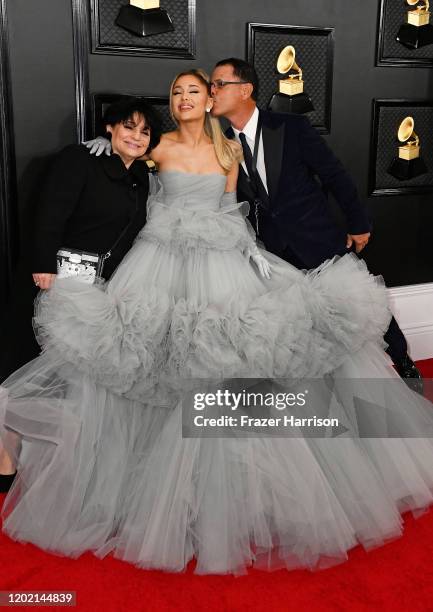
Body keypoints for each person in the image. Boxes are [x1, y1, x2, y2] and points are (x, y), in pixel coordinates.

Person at [1, 69, 433, 576]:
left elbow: (232, 213)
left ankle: (239, 489)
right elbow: (124, 152)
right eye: (176, 93)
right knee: (155, 363)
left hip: (223, 264)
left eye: (193, 92)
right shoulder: (155, 145)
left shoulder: (230, 151)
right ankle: (142, 486)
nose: (183, 99)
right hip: (158, 265)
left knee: (234, 361)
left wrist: (255, 260)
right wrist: (103, 138)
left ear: (209, 100)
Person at [208, 57, 421, 387]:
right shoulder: (220, 142)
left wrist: (358, 223)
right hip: (272, 251)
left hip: (316, 236)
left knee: (361, 302)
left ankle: (402, 360)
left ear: (245, 89)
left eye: (219, 84)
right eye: (211, 85)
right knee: (300, 322)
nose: (213, 91)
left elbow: (333, 175)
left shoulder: (291, 127)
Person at [0, 96, 161, 491]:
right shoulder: (81, 159)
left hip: (94, 290)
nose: (136, 137)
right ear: (110, 128)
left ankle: (50, 461)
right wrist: (42, 265)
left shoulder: (142, 178)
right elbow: (49, 211)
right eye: (128, 127)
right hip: (50, 279)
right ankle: (5, 457)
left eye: (144, 131)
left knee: (61, 374)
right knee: (21, 366)